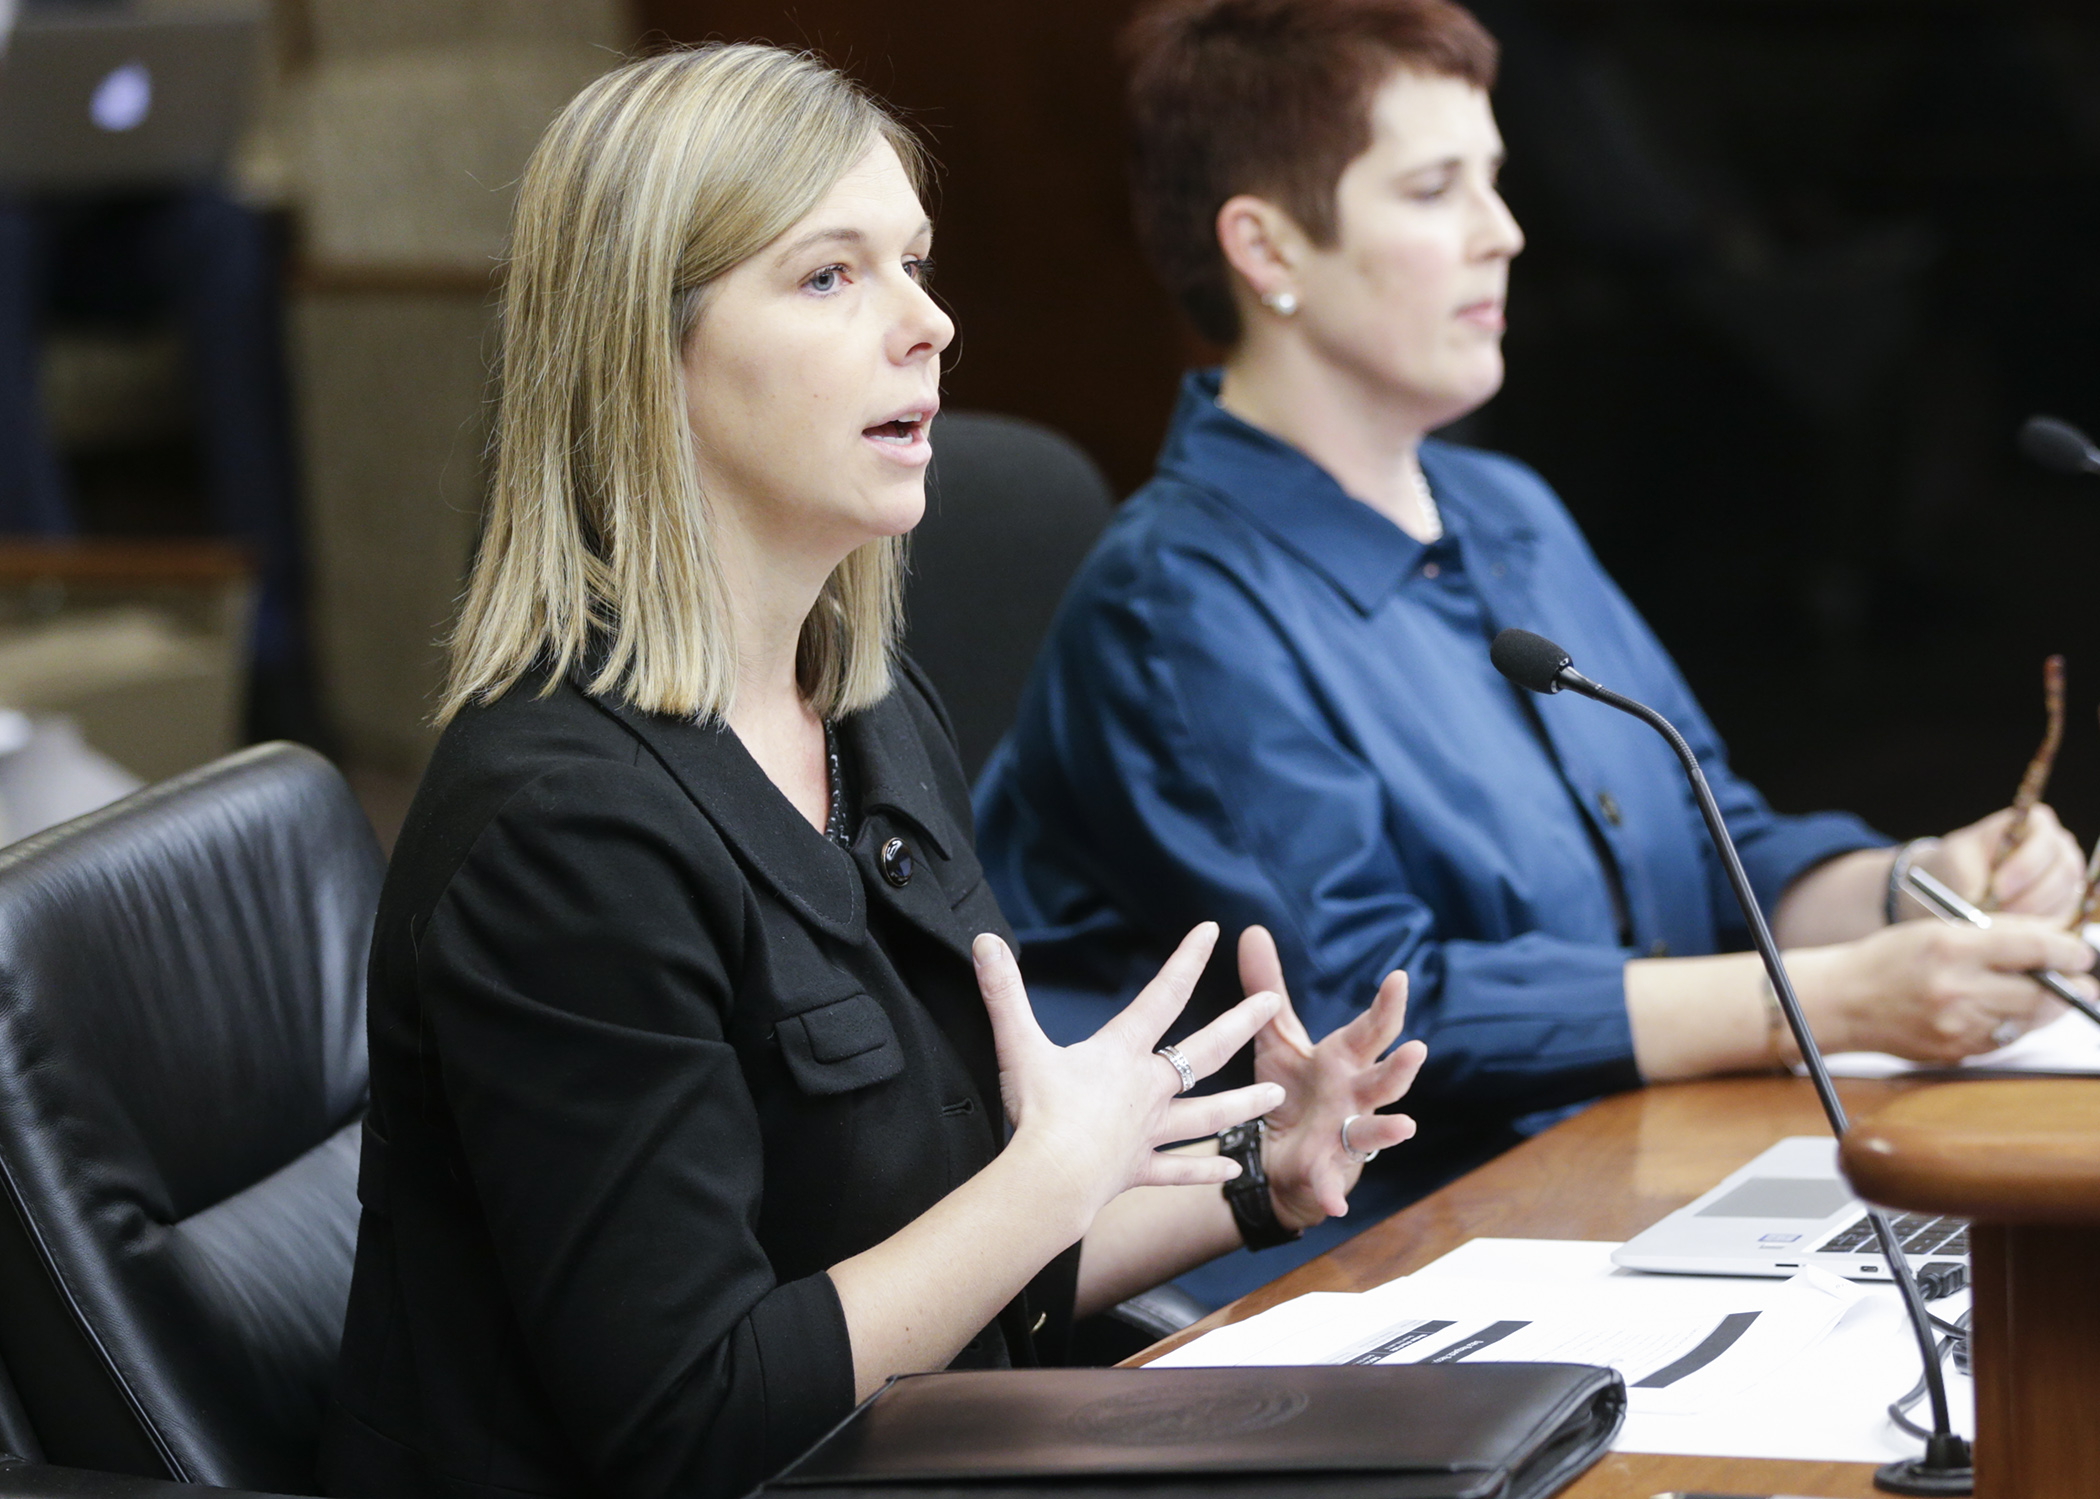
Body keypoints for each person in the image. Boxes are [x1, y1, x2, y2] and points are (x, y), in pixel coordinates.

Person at [321, 44, 1429, 1499]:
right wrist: (1053, 1172)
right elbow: (698, 1424)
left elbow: (941, 1277)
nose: (932, 324)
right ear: (643, 351)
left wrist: (1256, 1182)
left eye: (912, 262)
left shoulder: (869, 709)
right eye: (832, 276)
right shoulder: (560, 828)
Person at [972, 0, 2095, 1305]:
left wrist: (1911, 889)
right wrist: (1830, 1002)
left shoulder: (1507, 510)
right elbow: (1374, 1012)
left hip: (1631, 1181)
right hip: (1382, 1270)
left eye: (1496, 181)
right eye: (1437, 188)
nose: (1505, 232)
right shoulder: (1174, 603)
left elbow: (1719, 843)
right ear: (1266, 244)